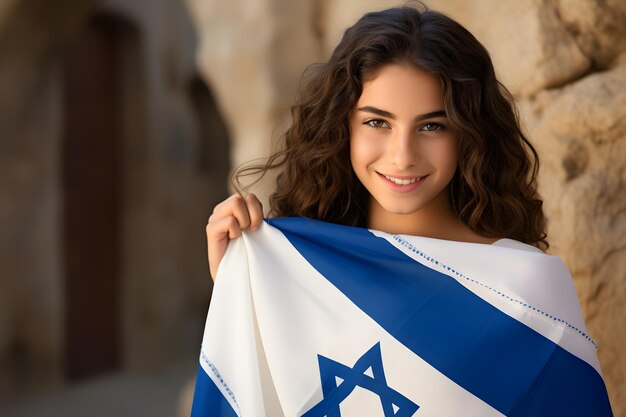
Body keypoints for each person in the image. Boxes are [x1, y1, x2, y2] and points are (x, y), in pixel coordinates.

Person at [195, 4, 613, 416]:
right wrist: (238, 281)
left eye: (432, 125)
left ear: (470, 135)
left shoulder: (526, 291)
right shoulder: (299, 274)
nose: (402, 156)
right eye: (378, 122)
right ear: (343, 126)